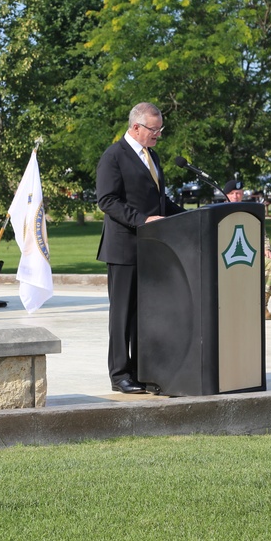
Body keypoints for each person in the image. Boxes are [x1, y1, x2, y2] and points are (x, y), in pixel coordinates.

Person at [96, 102, 184, 394]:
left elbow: (160, 202)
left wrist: (188, 215)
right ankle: (120, 374)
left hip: (151, 250)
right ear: (135, 127)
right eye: (153, 129)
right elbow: (107, 201)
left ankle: (141, 369)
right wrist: (143, 221)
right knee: (123, 315)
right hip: (124, 250)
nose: (158, 134)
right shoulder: (114, 156)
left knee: (145, 315)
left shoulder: (152, 156)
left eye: (160, 129)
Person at [224, 179, 271, 320]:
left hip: (249, 255)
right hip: (223, 256)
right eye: (232, 193)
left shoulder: (249, 211)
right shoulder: (217, 212)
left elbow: (262, 235)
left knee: (270, 263)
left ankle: (262, 305)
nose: (236, 196)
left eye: (238, 193)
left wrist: (266, 249)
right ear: (226, 195)